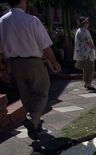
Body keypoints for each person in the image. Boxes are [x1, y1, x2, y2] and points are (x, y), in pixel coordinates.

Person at [0, 0, 61, 140]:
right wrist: (54, 62)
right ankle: (31, 118)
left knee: (26, 95)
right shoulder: (31, 20)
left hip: (14, 64)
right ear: (22, 2)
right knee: (41, 92)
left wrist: (2, 69)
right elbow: (45, 46)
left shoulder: (2, 22)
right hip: (33, 61)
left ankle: (36, 125)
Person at [73, 17, 96, 91]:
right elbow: (87, 41)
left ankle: (86, 83)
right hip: (87, 53)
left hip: (82, 53)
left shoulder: (79, 30)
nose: (88, 24)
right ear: (84, 23)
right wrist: (94, 47)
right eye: (87, 22)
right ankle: (88, 83)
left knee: (85, 69)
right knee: (90, 68)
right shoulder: (84, 30)